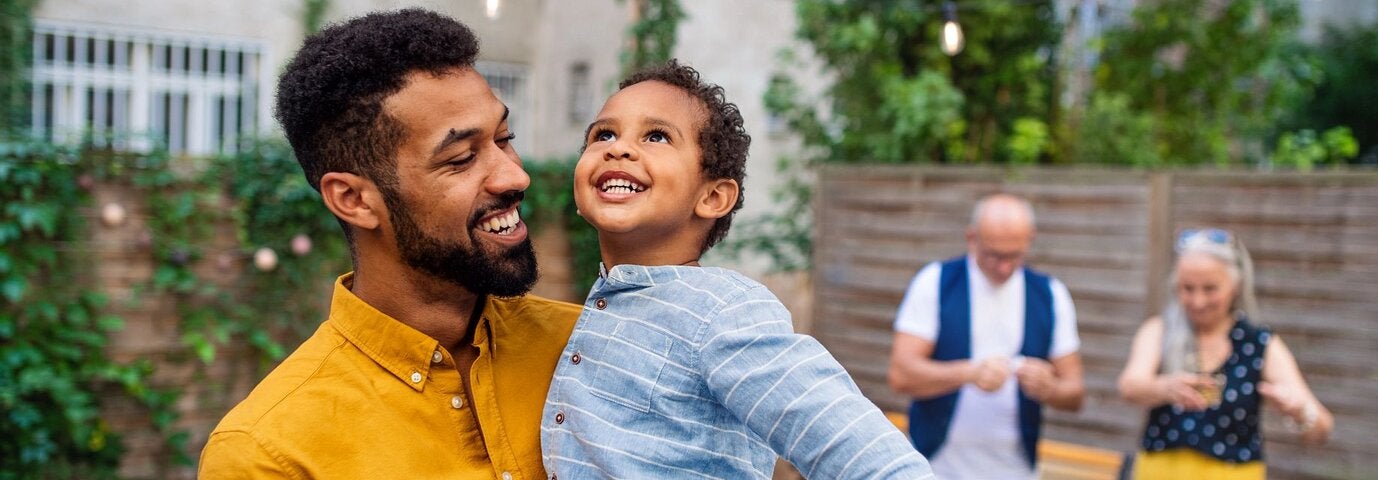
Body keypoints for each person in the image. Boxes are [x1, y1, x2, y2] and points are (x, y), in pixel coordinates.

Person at [198, 9, 581, 479]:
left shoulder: (587, 346)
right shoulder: (268, 453)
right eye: (461, 159)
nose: (515, 174)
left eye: (505, 138)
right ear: (354, 199)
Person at [541, 60, 933, 479]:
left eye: (656, 136)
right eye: (604, 134)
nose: (618, 148)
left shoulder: (722, 310)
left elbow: (856, 447)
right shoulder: (606, 304)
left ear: (712, 197)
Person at [888, 193, 1086, 479]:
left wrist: (1050, 388)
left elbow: (1075, 394)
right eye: (994, 254)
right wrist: (968, 373)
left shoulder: (1051, 294)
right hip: (933, 467)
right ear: (972, 238)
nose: (1003, 266)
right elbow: (901, 375)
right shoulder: (934, 282)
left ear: (1030, 239)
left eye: (1013, 255)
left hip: (1017, 470)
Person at [1117, 228, 1333, 479]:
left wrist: (1298, 411)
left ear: (1236, 285)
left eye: (1210, 289)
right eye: (1188, 288)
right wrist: (1164, 388)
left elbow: (1322, 429)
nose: (1198, 301)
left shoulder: (1260, 343)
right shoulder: (1160, 330)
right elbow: (1129, 386)